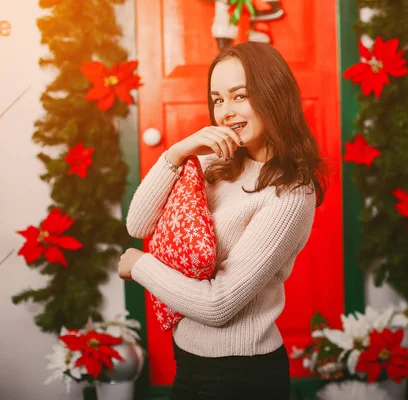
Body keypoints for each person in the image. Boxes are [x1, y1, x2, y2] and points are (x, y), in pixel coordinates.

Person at [118, 41, 327, 399]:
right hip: (189, 360)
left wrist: (140, 266)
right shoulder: (214, 163)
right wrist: (177, 152)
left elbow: (218, 305)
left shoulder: (290, 193)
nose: (226, 112)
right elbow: (138, 224)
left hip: (241, 376)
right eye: (218, 100)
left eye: (239, 95)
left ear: (274, 96)